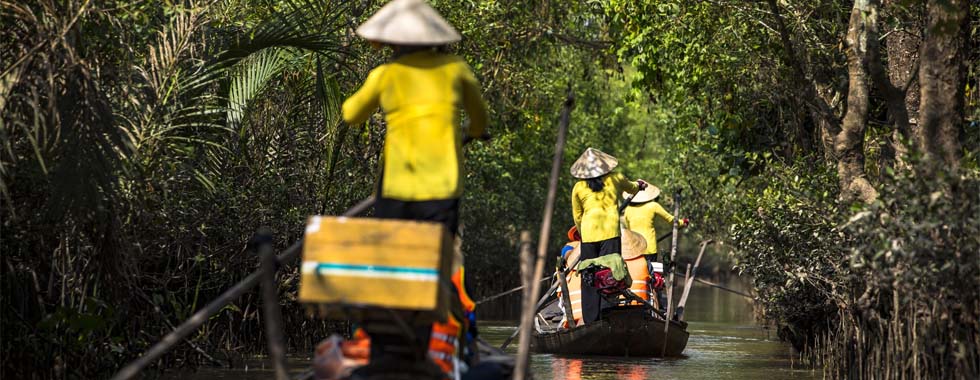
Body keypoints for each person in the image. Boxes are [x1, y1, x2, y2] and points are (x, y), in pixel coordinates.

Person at [340, 0, 489, 375]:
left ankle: (388, 348)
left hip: (397, 189)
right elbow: (479, 118)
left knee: (395, 268)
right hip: (441, 191)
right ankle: (420, 349)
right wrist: (472, 133)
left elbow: (350, 114)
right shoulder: (456, 69)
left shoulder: (386, 75)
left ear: (394, 43)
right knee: (431, 270)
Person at [569, 147, 647, 324]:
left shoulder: (578, 187)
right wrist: (640, 185)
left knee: (589, 276)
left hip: (588, 235)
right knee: (609, 274)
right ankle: (607, 315)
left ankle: (590, 319)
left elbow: (577, 216)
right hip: (610, 233)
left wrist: (583, 235)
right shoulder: (616, 178)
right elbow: (633, 188)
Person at [622, 183, 687, 310]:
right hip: (649, 248)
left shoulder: (628, 209)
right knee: (650, 277)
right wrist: (682, 223)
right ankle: (653, 305)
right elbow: (671, 220)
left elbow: (628, 227)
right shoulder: (653, 206)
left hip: (633, 247)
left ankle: (635, 302)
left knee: (636, 275)